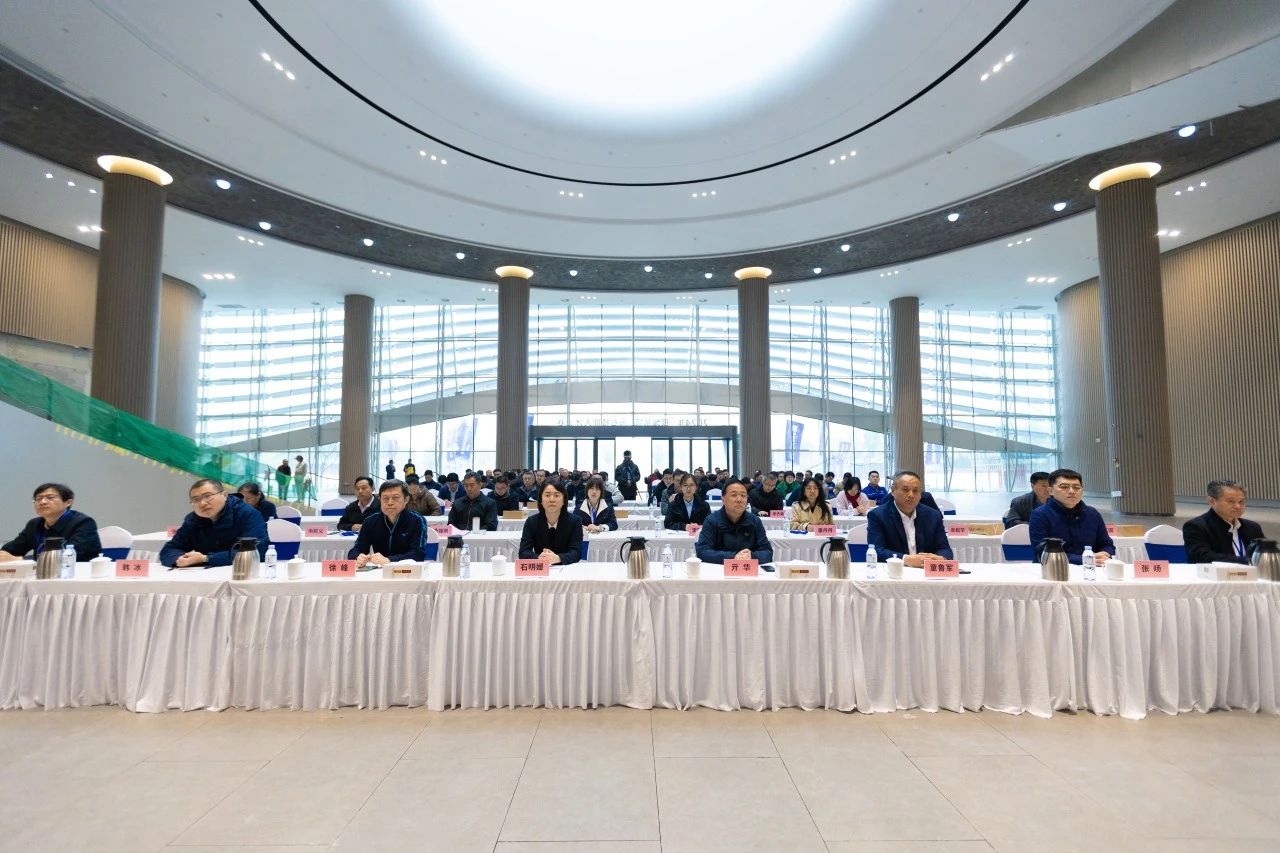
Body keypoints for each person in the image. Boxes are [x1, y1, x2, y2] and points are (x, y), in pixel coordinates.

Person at [160, 479, 266, 568]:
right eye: (196, 500)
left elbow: (256, 551)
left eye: (208, 496)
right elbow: (170, 549)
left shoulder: (247, 514)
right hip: (204, 577)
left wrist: (206, 559)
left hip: (242, 574)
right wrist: (180, 559)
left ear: (224, 495)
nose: (203, 503)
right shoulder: (192, 520)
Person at [867, 471, 954, 566]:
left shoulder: (933, 516)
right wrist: (907, 559)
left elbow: (945, 549)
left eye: (915, 491)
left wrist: (941, 558)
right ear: (893, 491)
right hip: (895, 571)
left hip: (925, 571)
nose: (911, 495)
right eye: (905, 490)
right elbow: (877, 551)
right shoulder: (878, 515)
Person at [1028, 468, 1114, 564]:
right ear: (1051, 491)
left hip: (1091, 568)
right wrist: (1083, 559)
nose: (1072, 491)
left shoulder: (1092, 514)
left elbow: (1107, 544)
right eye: (1064, 487)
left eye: (1077, 487)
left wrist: (1105, 554)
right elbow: (1042, 552)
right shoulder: (1040, 514)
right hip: (1052, 569)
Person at [0, 482, 101, 561]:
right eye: (38, 498)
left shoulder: (83, 523)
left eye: (50, 497)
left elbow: (68, 556)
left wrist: (22, 560)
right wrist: (4, 555)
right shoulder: (34, 525)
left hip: (78, 575)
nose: (43, 502)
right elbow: (11, 550)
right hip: (42, 575)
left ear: (68, 502)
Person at [346, 480, 427, 568]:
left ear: (406, 499)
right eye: (385, 498)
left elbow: (418, 554)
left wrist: (389, 560)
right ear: (380, 499)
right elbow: (355, 551)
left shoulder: (417, 520)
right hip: (380, 571)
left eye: (395, 498)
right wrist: (358, 557)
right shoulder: (370, 521)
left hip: (407, 571)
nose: (390, 503)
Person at [1183, 479, 1266, 564]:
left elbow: (1264, 553)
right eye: (1231, 501)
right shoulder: (1196, 526)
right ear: (1211, 501)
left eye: (1241, 501)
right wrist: (1247, 562)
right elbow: (1201, 557)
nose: (1238, 506)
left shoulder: (1253, 527)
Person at [695, 479, 773, 565]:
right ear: (723, 499)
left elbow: (767, 552)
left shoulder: (755, 521)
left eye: (743, 495)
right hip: (719, 570)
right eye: (734, 495)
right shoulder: (711, 520)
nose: (739, 499)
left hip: (747, 569)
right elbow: (702, 552)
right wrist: (733, 556)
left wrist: (751, 556)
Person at [518, 480, 584, 565]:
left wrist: (557, 558)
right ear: (541, 500)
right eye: (547, 495)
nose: (552, 500)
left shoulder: (575, 521)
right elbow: (523, 552)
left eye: (556, 495)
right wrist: (540, 558)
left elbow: (576, 552)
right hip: (541, 567)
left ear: (564, 500)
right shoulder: (531, 522)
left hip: (566, 567)